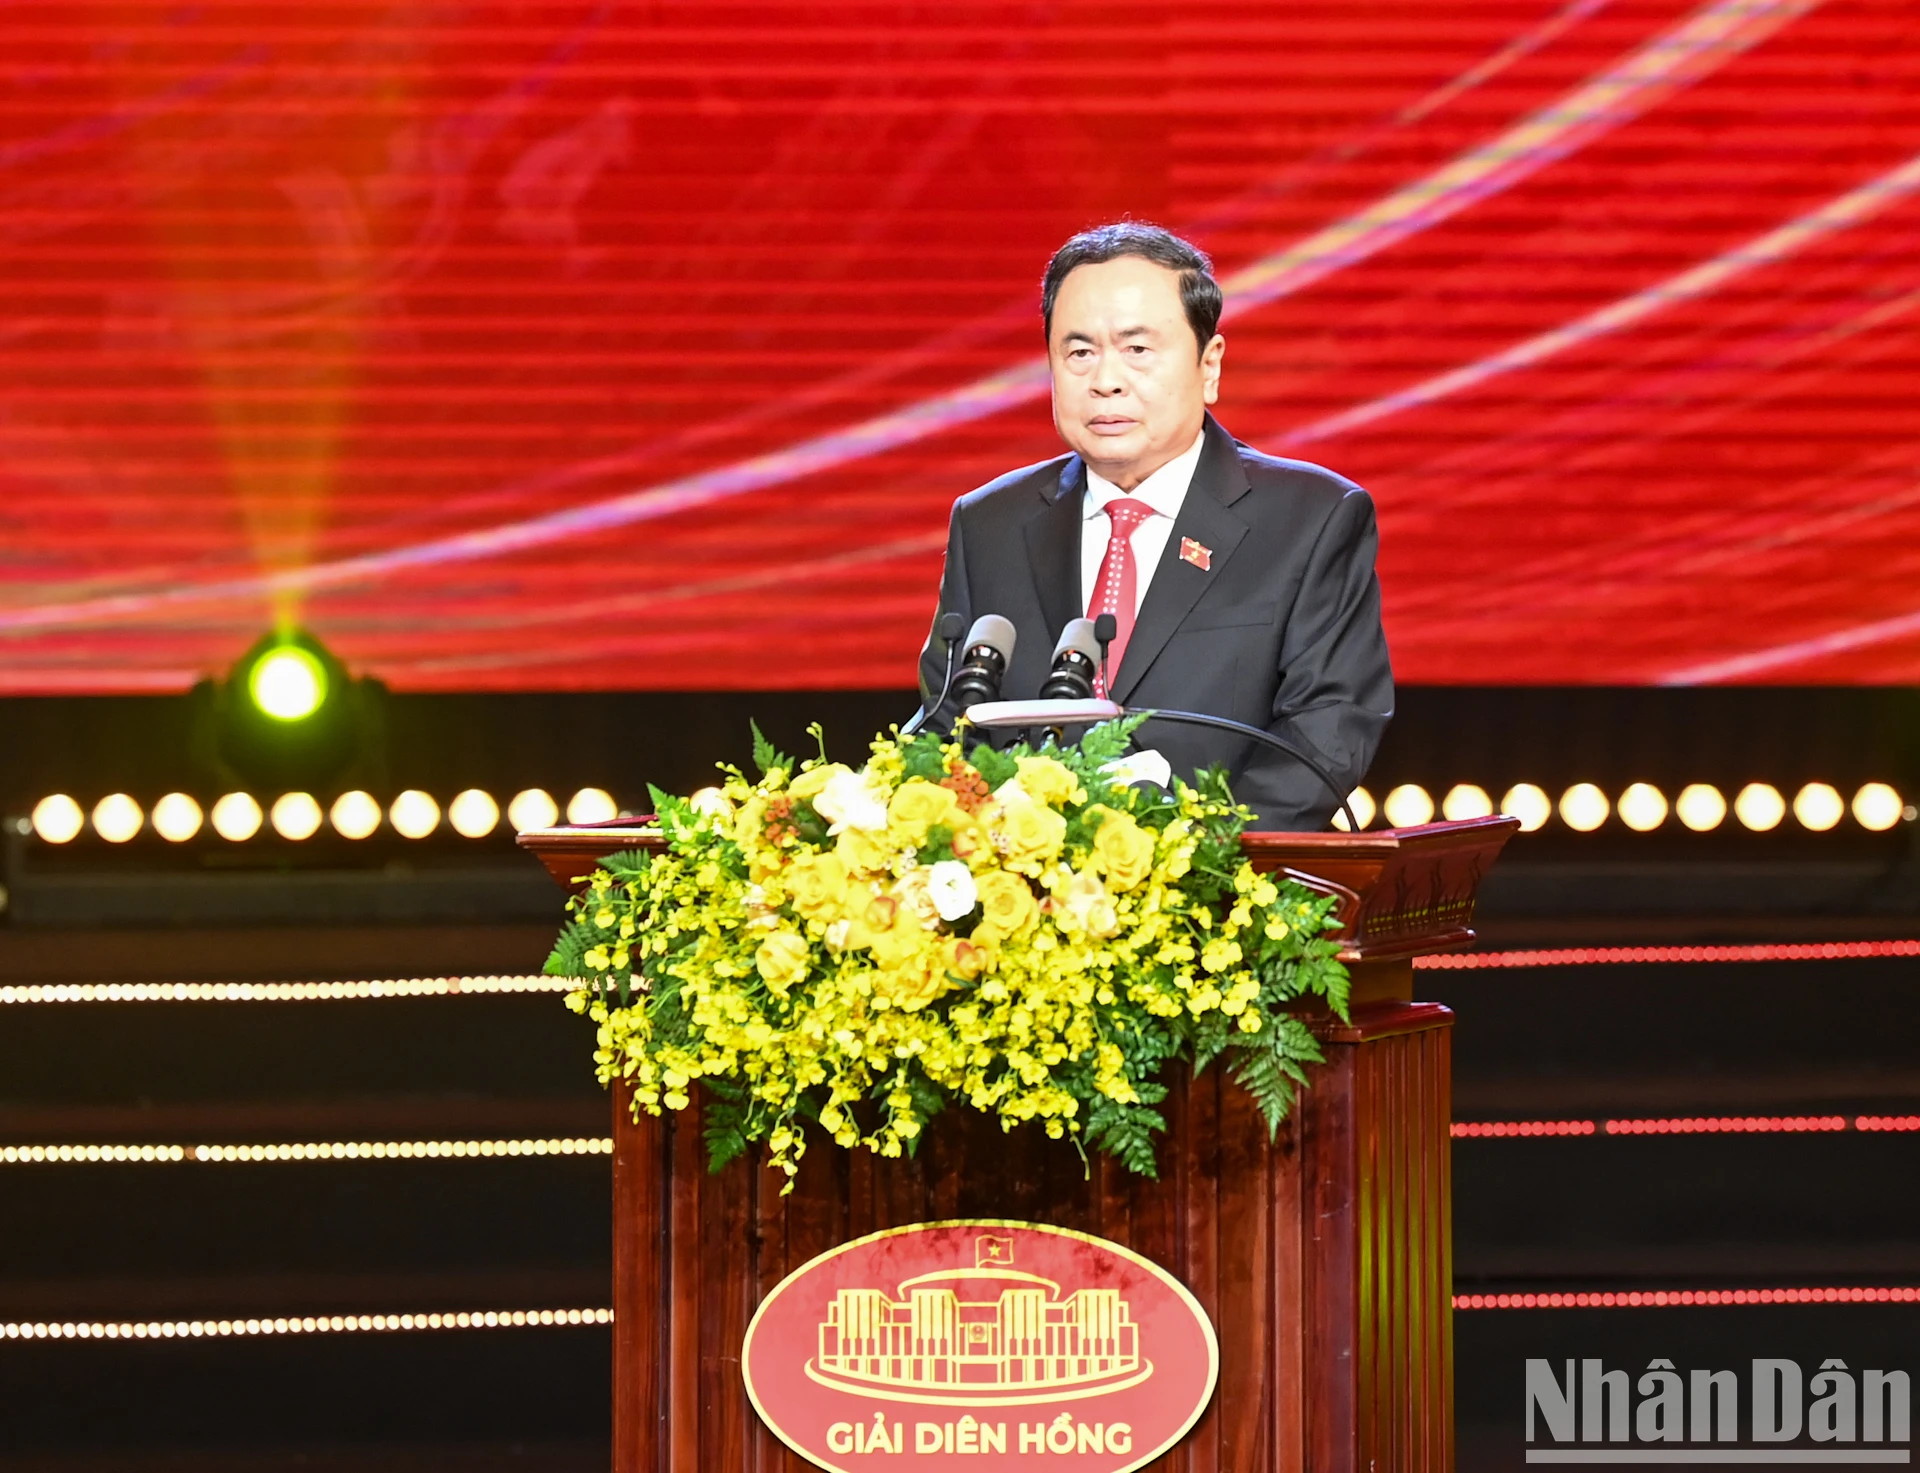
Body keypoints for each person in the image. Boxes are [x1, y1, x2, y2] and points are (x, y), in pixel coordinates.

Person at [917, 222, 1392, 830]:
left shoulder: (1310, 517)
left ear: (1210, 363)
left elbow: (1328, 727)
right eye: (1079, 352)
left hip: (1221, 896)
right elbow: (947, 724)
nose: (1106, 380)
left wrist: (1188, 863)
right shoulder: (990, 523)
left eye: (1137, 349)